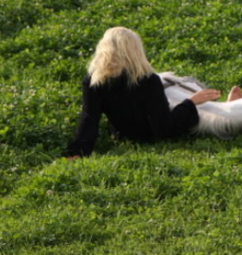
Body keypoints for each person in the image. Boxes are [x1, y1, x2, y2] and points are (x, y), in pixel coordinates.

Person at [64, 27, 226, 157]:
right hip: (152, 135)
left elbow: (89, 118)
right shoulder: (147, 80)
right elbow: (164, 128)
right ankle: (226, 107)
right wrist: (191, 102)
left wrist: (78, 151)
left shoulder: (94, 80)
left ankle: (224, 104)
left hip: (123, 134)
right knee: (192, 113)